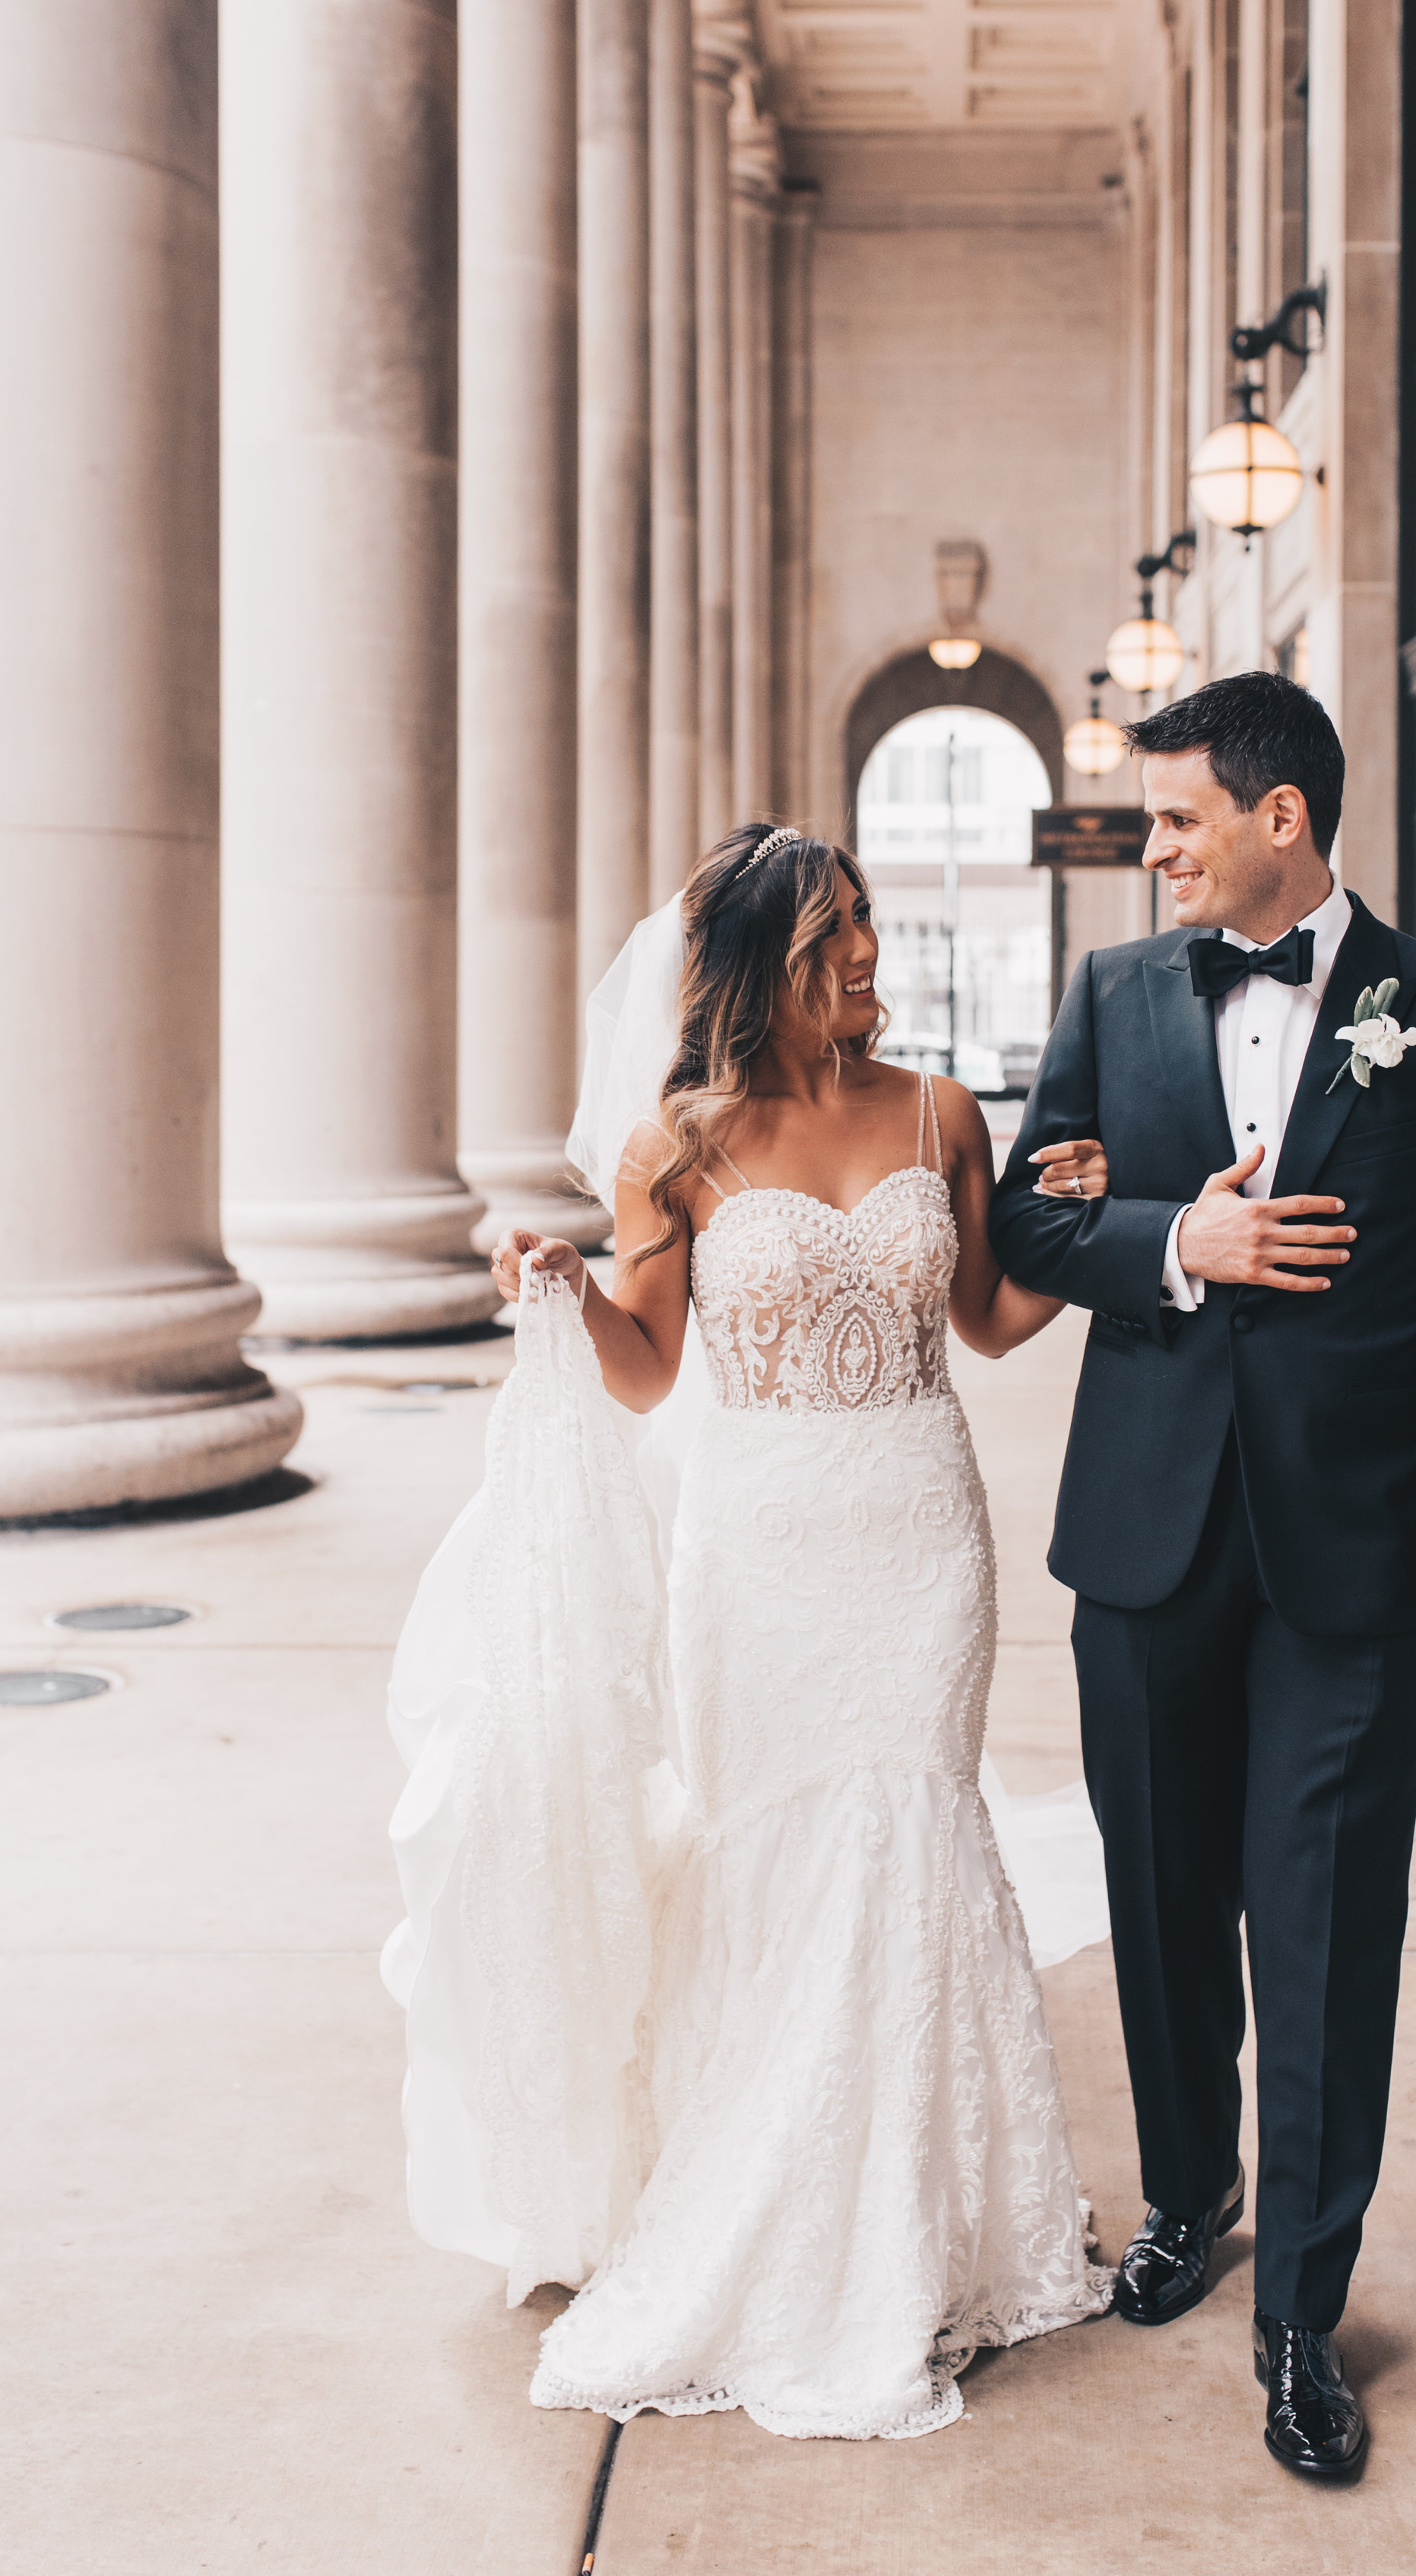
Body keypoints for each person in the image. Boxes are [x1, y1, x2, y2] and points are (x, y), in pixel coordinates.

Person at [385, 819, 1118, 2442]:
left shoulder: (939, 1107)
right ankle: (766, 2210)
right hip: (765, 1547)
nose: (865, 954)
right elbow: (650, 1366)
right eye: (832, 934)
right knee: (778, 1853)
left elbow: (988, 1322)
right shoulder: (680, 1145)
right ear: (756, 963)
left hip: (920, 1534)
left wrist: (1099, 1232)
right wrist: (568, 1295)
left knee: (910, 1835)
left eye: (864, 924)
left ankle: (908, 2223)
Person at [990, 672, 1416, 2483]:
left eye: (1172, 816)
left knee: (1319, 1927)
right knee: (1159, 1902)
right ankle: (1186, 2189)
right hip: (1147, 1534)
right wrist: (1180, 1237)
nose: (1146, 844)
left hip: (1360, 1552)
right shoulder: (1107, 995)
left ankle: (1299, 2315)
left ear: (1279, 819)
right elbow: (1024, 1222)